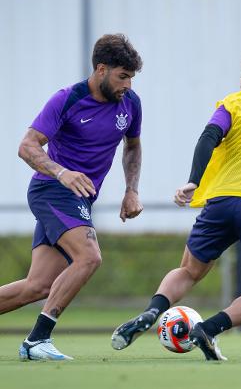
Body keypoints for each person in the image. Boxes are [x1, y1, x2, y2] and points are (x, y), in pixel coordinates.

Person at [111, 54, 241, 360]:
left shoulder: (234, 103)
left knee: (189, 270)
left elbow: (209, 136)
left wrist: (193, 181)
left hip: (221, 202)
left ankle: (152, 312)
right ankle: (210, 328)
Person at [0, 34, 144, 361]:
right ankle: (37, 340)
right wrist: (62, 173)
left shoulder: (130, 103)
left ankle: (37, 340)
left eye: (132, 78)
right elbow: (27, 146)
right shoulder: (67, 99)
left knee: (36, 286)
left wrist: (131, 190)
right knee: (90, 257)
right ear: (101, 69)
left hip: (80, 199)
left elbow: (132, 146)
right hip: (53, 190)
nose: (127, 85)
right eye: (122, 76)